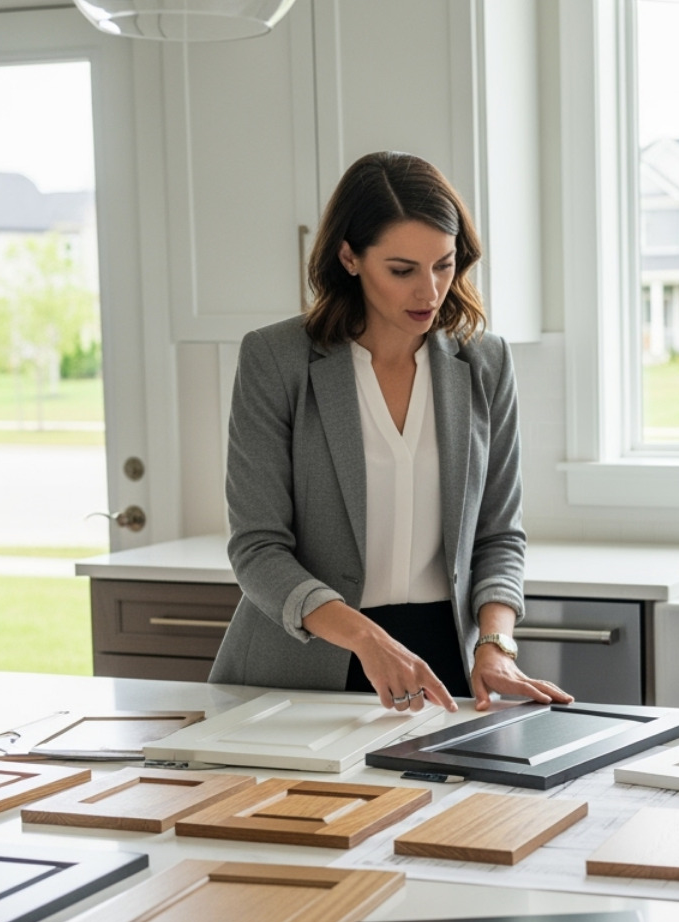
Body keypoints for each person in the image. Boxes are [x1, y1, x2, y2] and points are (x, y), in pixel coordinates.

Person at [209, 151, 571, 714]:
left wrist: (496, 645)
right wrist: (367, 639)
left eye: (444, 265)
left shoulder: (486, 364)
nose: (429, 292)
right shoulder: (276, 360)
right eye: (402, 270)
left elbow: (499, 535)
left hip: (444, 666)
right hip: (303, 667)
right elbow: (257, 550)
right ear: (349, 257)